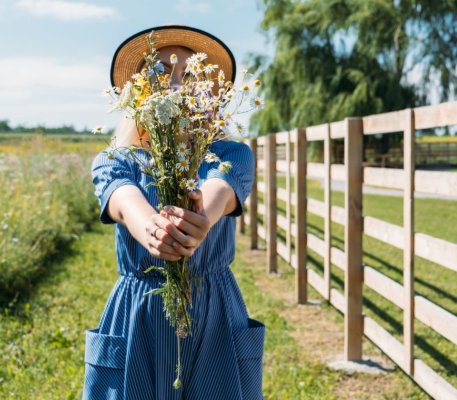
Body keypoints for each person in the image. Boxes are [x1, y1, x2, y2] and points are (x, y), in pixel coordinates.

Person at [84, 25, 265, 400]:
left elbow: (220, 190)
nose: (178, 85)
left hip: (213, 313)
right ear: (140, 95)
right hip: (140, 314)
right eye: (162, 73)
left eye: (192, 74)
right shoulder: (116, 159)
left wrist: (201, 218)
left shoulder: (231, 154)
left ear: (213, 92)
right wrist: (149, 225)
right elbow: (123, 196)